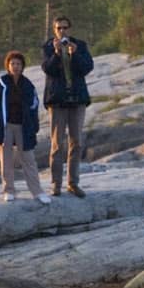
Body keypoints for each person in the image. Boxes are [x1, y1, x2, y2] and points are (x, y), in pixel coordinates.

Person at [40, 14, 94, 197]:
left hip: (77, 99)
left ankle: (73, 182)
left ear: (69, 29)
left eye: (65, 27)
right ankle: (55, 184)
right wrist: (56, 54)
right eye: (58, 28)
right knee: (57, 144)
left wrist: (75, 54)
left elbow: (87, 68)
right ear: (54, 30)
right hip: (57, 100)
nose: (62, 31)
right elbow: (47, 69)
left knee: (76, 142)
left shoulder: (80, 45)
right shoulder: (48, 47)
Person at [0, 51, 50, 205]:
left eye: (18, 64)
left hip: (23, 126)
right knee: (6, 160)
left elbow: (34, 106)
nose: (15, 66)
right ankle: (8, 190)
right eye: (13, 64)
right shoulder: (1, 83)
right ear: (8, 66)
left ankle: (37, 191)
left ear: (23, 67)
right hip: (5, 127)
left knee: (28, 160)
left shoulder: (28, 85)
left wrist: (33, 126)